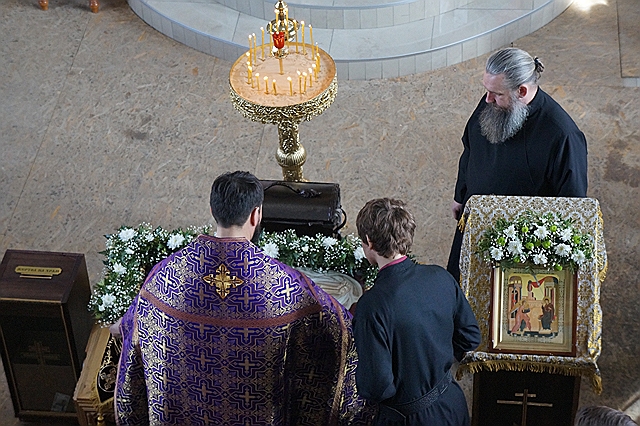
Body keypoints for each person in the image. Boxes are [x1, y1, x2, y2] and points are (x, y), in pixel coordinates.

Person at [115, 171, 373, 425]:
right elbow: (341, 333)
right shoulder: (286, 288)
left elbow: (131, 328)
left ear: (213, 210)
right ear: (255, 215)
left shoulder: (166, 276)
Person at [447, 47, 588, 281]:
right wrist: (460, 194)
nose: (487, 99)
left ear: (521, 91)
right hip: (475, 225)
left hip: (519, 250)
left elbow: (571, 205)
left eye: (496, 94)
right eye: (487, 90)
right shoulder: (493, 103)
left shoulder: (562, 134)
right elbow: (470, 146)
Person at [353, 198, 481, 425]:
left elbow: (377, 386)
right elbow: (470, 337)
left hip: (410, 418)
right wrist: (433, 361)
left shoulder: (371, 305)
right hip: (452, 403)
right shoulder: (441, 277)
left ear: (369, 242)